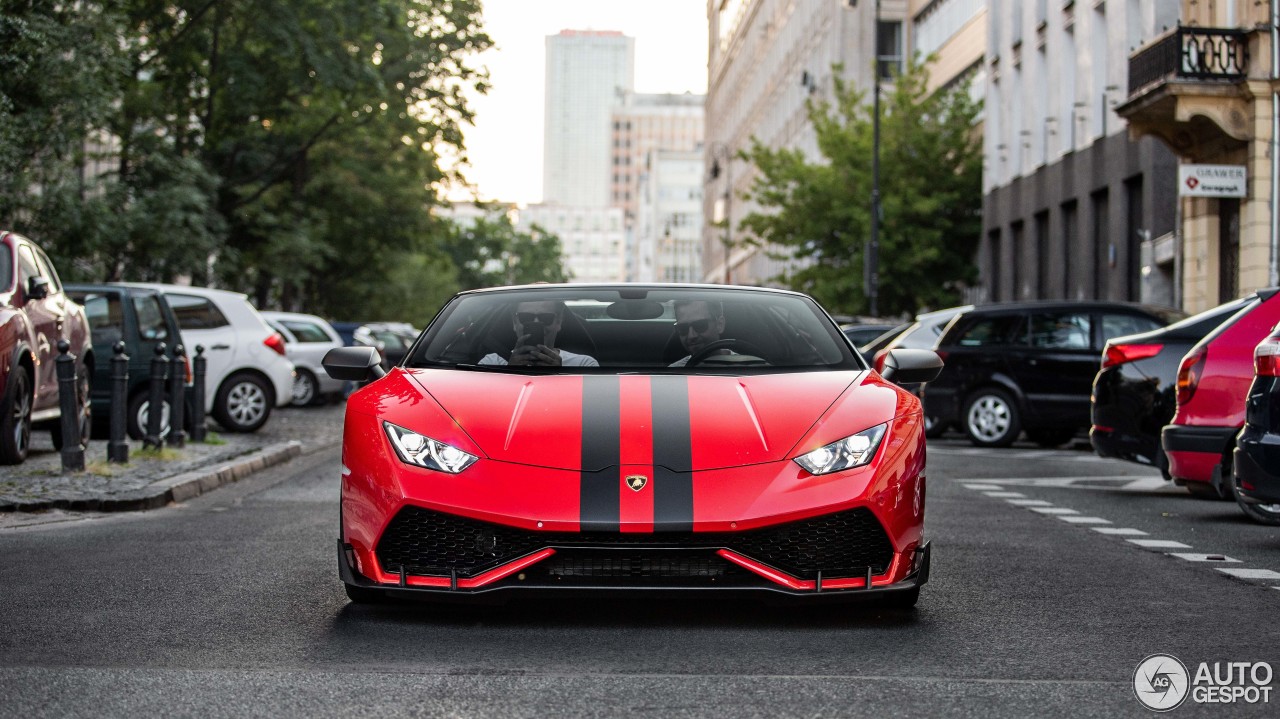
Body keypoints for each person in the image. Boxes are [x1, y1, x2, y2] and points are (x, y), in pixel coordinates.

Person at [479, 300, 599, 367]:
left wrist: (559, 375)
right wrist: (510, 371)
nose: (537, 324)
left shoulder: (584, 364)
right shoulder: (491, 363)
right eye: (526, 318)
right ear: (515, 322)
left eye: (546, 318)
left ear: (559, 321)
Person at [669, 299, 731, 367]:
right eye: (683, 328)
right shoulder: (673, 373)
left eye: (700, 325)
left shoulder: (742, 366)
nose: (691, 336)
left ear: (720, 324)